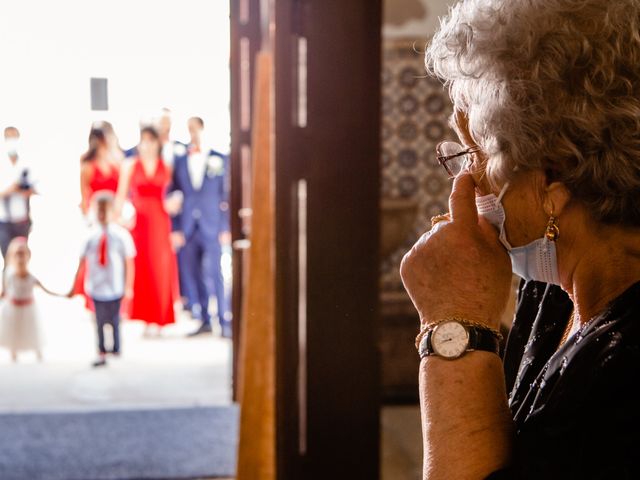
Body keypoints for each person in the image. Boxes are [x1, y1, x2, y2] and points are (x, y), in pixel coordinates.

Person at [399, 0, 640, 478]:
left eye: (476, 152)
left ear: (551, 175)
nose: (464, 182)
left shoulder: (627, 368)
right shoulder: (552, 291)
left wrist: (455, 325)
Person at [169, 116, 231, 337]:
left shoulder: (220, 158)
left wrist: (225, 226)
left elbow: (227, 195)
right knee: (193, 272)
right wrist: (175, 228)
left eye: (195, 129)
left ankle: (224, 320)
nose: (192, 134)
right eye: (188, 129)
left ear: (203, 129)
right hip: (188, 226)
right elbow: (173, 192)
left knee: (216, 273)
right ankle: (204, 318)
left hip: (212, 225)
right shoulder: (180, 160)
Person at [115, 126, 179, 335]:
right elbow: (120, 197)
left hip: (161, 222)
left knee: (161, 267)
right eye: (144, 140)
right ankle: (144, 318)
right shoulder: (130, 165)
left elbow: (175, 193)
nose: (148, 145)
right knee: (142, 267)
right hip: (139, 223)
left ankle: (159, 319)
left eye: (152, 140)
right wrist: (121, 219)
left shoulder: (166, 166)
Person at [69, 191, 135, 367]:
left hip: (115, 285)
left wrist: (129, 286)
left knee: (114, 319)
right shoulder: (89, 236)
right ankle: (101, 349)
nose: (102, 215)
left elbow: (129, 262)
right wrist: (75, 285)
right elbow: (82, 261)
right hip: (96, 285)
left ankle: (116, 347)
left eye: (105, 211)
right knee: (98, 320)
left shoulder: (121, 236)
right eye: (99, 210)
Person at [72, 126, 122, 311]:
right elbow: (84, 195)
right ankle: (94, 300)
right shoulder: (87, 165)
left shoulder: (116, 161)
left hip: (115, 215)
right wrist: (88, 218)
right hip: (96, 216)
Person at [0, 237, 62, 362]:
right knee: (13, 330)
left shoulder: (31, 277)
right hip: (12, 308)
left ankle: (38, 353)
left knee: (31, 330)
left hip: (28, 308)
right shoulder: (9, 274)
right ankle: (13, 352)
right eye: (18, 254)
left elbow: (47, 290)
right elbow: (4, 292)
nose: (20, 257)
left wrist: (64, 295)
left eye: (23, 254)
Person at [0, 127, 36, 268]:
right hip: (3, 220)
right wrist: (10, 189)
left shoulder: (26, 163)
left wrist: (26, 190)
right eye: (9, 138)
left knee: (21, 260)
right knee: (8, 260)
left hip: (22, 220)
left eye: (14, 137)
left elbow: (36, 188)